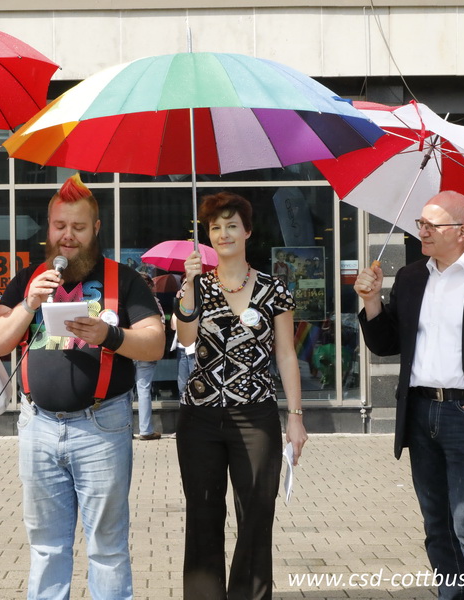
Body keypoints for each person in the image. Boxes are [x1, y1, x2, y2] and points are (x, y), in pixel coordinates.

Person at [0, 174, 165, 600]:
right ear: (48, 227)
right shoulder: (30, 277)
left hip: (102, 427)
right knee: (46, 548)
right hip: (38, 427)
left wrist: (110, 337)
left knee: (108, 548)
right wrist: (29, 304)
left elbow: (155, 343)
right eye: (59, 226)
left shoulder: (124, 280)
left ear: (96, 229)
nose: (67, 236)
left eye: (78, 227)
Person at [354, 191, 464, 600]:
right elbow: (385, 345)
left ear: (463, 232)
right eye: (420, 223)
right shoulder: (412, 276)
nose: (422, 231)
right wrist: (370, 302)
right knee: (436, 525)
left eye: (432, 225)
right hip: (419, 412)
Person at [174, 191, 308, 600]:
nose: (223, 233)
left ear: (248, 231)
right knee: (203, 516)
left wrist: (296, 416)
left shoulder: (273, 288)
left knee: (256, 517)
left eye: (232, 225)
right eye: (215, 227)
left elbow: (286, 355)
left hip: (256, 418)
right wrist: (191, 286)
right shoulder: (194, 284)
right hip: (199, 417)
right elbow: (186, 339)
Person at [133, 271, 164, 440]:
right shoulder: (154, 302)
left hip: (128, 350)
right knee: (143, 389)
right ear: (150, 286)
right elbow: (161, 327)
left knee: (126, 392)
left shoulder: (128, 301)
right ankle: (145, 430)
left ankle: (126, 430)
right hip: (145, 349)